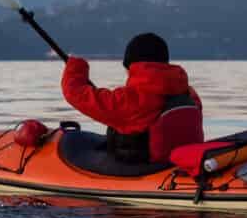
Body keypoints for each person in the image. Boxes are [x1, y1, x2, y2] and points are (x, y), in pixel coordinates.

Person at [61, 32, 203, 164]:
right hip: (179, 163)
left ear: (133, 66)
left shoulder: (132, 100)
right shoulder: (189, 93)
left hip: (147, 168)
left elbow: (74, 92)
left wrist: (76, 66)